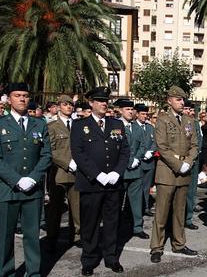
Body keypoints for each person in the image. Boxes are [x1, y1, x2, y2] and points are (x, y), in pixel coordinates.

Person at [0, 83, 52, 277]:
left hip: (33, 189)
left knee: (32, 236)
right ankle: (6, 272)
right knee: (6, 236)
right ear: (8, 99)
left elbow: (46, 155)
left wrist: (33, 178)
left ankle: (33, 273)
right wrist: (17, 180)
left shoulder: (39, 124)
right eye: (17, 95)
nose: (22, 99)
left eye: (25, 95)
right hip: (8, 189)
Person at [70, 86, 130, 276]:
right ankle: (89, 260)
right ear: (91, 103)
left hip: (113, 184)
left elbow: (125, 151)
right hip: (91, 183)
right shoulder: (80, 125)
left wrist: (117, 172)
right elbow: (78, 154)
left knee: (112, 223)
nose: (104, 104)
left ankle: (111, 258)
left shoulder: (116, 124)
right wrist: (97, 175)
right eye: (100, 100)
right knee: (90, 224)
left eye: (106, 101)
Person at [149, 86, 198, 263]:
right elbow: (162, 146)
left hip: (184, 170)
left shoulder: (188, 120)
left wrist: (188, 162)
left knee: (180, 211)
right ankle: (156, 247)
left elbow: (194, 145)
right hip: (168, 171)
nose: (182, 102)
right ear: (169, 100)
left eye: (183, 99)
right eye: (178, 99)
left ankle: (179, 244)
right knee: (162, 212)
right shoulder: (162, 120)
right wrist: (179, 164)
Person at [45, 94, 81, 252]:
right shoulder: (52, 126)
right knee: (55, 208)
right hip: (59, 173)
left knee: (77, 207)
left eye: (71, 105)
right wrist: (67, 163)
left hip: (77, 173)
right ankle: (52, 237)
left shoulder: (78, 125)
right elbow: (50, 150)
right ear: (58, 106)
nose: (69, 107)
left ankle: (77, 236)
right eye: (65, 104)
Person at [117, 99, 150, 240]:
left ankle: (137, 227)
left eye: (131, 109)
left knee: (136, 202)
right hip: (121, 171)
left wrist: (137, 158)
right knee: (117, 202)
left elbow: (143, 145)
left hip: (135, 171)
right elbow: (117, 147)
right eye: (127, 109)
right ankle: (116, 227)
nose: (130, 112)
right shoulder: (115, 126)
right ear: (120, 110)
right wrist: (130, 160)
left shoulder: (136, 127)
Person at [134, 103, 157, 217]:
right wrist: (142, 154)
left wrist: (151, 151)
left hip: (149, 162)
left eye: (146, 114)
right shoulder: (133, 126)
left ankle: (146, 207)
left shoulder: (150, 127)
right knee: (136, 188)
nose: (145, 116)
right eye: (142, 114)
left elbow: (155, 142)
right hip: (137, 163)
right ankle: (136, 209)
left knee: (147, 187)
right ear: (137, 114)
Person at [184, 100, 203, 230]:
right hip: (182, 161)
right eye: (187, 109)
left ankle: (188, 218)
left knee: (191, 191)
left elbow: (198, 142)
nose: (189, 112)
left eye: (190, 110)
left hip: (194, 161)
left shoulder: (195, 123)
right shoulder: (180, 122)